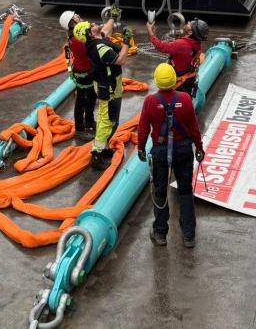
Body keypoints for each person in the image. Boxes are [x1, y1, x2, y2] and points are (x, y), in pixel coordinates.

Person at [137, 63, 205, 248]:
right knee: (185, 191)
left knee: (160, 192)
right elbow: (193, 128)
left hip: (160, 152)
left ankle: (160, 233)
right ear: (175, 79)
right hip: (183, 150)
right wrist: (199, 148)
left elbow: (143, 129)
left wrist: (141, 149)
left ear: (157, 81)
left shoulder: (150, 101)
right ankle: (189, 235)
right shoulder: (184, 98)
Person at [73, 17, 132, 169]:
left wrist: (112, 17)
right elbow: (120, 60)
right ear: (90, 34)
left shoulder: (96, 40)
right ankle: (97, 154)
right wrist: (126, 41)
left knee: (112, 120)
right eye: (91, 25)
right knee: (107, 120)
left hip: (110, 84)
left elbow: (106, 29)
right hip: (108, 87)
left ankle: (104, 148)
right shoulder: (99, 47)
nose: (93, 23)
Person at [145, 18, 209, 97]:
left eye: (190, 24)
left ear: (191, 32)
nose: (188, 22)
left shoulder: (182, 44)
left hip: (178, 82)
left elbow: (161, 47)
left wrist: (150, 32)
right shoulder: (196, 43)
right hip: (187, 79)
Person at [60, 10, 97, 140]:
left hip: (86, 70)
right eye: (75, 16)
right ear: (71, 23)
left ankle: (89, 120)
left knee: (92, 96)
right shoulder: (77, 39)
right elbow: (92, 46)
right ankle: (80, 129)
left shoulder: (77, 34)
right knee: (81, 100)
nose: (78, 16)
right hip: (83, 72)